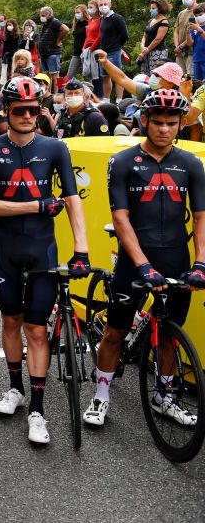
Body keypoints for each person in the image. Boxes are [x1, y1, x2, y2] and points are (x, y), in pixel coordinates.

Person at [0, 77, 90, 445]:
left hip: (42, 249)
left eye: (33, 110)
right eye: (19, 110)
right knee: (11, 321)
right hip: (5, 248)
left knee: (37, 329)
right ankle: (14, 388)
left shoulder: (56, 148)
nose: (27, 116)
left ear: (40, 111)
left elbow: (72, 200)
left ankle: (38, 410)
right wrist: (37, 205)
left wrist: (82, 249)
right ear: (6, 113)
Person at [84, 88, 205, 427]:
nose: (165, 129)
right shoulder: (122, 162)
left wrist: (201, 263)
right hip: (134, 261)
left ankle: (163, 398)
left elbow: (201, 217)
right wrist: (142, 265)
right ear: (145, 120)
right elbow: (120, 218)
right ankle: (101, 395)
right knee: (114, 332)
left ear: (181, 124)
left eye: (172, 123)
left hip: (176, 259)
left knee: (169, 333)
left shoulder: (191, 164)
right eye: (158, 122)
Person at [98, 0, 129, 100]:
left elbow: (124, 35)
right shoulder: (102, 19)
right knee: (105, 77)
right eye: (101, 5)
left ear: (110, 5)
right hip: (103, 52)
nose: (103, 7)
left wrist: (117, 46)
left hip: (114, 51)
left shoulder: (117, 18)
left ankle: (119, 101)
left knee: (117, 77)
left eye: (105, 4)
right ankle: (107, 100)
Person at [37, 6, 70, 87]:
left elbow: (66, 29)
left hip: (52, 53)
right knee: (47, 75)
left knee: (55, 75)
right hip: (44, 53)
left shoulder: (54, 22)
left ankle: (59, 92)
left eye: (43, 15)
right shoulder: (45, 24)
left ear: (49, 15)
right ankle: (49, 94)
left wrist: (59, 40)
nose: (42, 17)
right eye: (41, 15)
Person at [175, 0, 198, 78]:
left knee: (191, 80)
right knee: (179, 80)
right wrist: (177, 46)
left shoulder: (200, 11)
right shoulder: (181, 13)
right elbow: (176, 31)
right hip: (180, 53)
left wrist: (181, 46)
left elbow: (194, 32)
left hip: (192, 52)